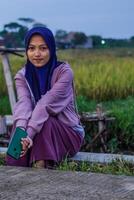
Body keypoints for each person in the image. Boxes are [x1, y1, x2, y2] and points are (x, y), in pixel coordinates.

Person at [6, 26, 85, 168]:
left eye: (43, 48)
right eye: (31, 48)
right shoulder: (22, 76)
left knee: (46, 122)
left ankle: (41, 172)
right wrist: (22, 133)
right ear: (26, 51)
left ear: (51, 49)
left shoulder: (64, 72)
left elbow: (45, 105)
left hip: (68, 134)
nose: (37, 54)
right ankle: (15, 172)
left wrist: (29, 134)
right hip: (36, 130)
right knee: (19, 127)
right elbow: (24, 104)